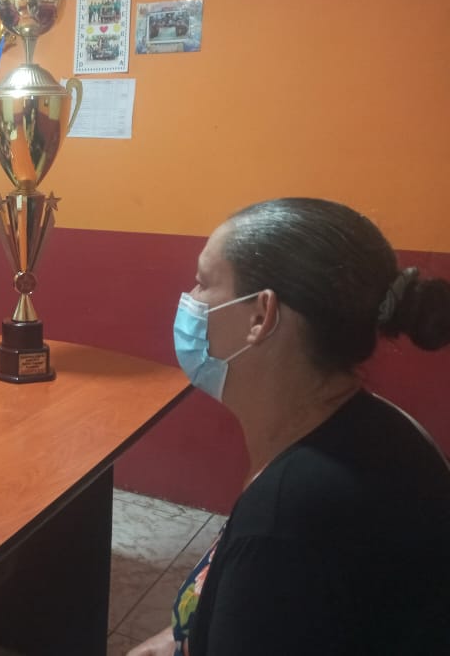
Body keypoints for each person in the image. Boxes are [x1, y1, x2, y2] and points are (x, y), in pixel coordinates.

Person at [129, 197, 450, 656]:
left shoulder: (287, 529)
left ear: (261, 316)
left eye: (203, 283)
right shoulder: (377, 427)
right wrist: (179, 639)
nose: (190, 300)